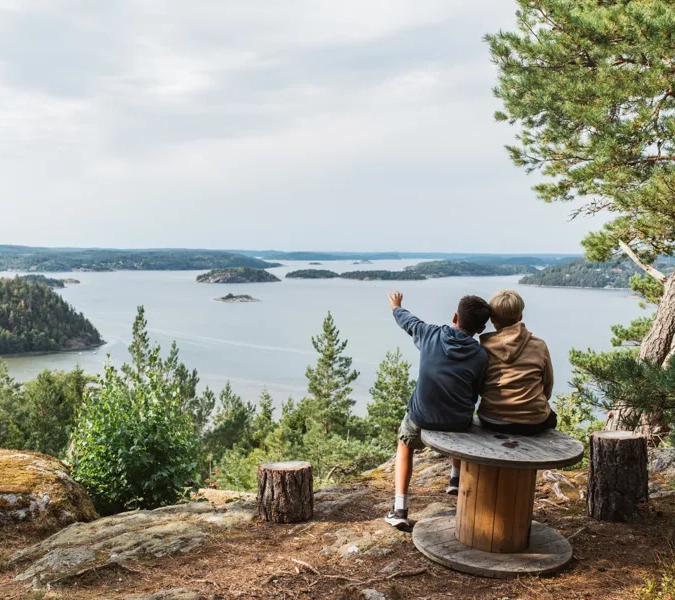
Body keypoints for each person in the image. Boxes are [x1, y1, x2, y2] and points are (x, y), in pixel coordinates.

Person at [384, 291, 491, 529]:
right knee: (456, 405)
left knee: (404, 442)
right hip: (459, 422)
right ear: (481, 328)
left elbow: (408, 321)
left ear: (455, 317)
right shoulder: (480, 355)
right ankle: (454, 478)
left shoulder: (431, 334)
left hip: (422, 418)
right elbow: (478, 389)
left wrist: (396, 306)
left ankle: (399, 509)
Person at [478, 290, 556, 435]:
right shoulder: (539, 346)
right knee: (552, 418)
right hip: (533, 422)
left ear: (492, 319)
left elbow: (478, 384)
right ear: (520, 315)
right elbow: (548, 384)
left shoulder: (482, 348)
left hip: (491, 419)